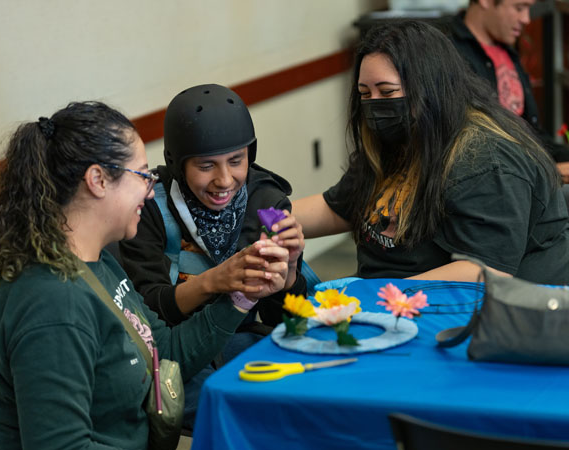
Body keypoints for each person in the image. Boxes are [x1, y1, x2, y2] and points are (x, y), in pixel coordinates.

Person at [0, 101, 285, 449]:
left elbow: (164, 353)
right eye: (142, 175)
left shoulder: (100, 264)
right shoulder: (53, 303)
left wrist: (242, 295)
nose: (150, 189)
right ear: (97, 180)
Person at [293, 20, 569, 284]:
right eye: (365, 94)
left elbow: (483, 269)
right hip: (391, 298)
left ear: (429, 90)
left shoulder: (486, 158)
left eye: (387, 93)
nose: (373, 105)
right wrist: (264, 217)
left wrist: (385, 297)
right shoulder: (394, 139)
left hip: (473, 309)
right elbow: (339, 207)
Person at [118, 84, 306, 426]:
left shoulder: (265, 200)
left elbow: (287, 323)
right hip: (174, 353)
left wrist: (290, 272)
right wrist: (214, 282)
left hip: (241, 341)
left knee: (303, 393)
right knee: (232, 409)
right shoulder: (149, 208)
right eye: (206, 166)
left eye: (236, 161)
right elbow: (147, 310)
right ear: (177, 164)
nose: (224, 180)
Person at [446, 0, 569, 182]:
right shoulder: (447, 53)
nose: (526, 19)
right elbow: (467, 147)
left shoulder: (507, 49)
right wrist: (550, 170)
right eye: (519, 8)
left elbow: (531, 133)